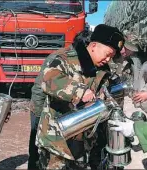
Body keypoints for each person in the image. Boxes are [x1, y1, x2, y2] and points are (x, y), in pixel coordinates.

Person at [32, 24, 125, 170]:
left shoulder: (103, 70)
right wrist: (79, 91)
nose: (108, 59)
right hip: (57, 141)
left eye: (111, 57)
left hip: (83, 143)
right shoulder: (65, 58)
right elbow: (48, 80)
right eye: (107, 54)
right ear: (94, 45)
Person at [27, 29, 92, 170]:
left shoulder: (82, 60)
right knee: (36, 150)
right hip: (42, 109)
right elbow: (41, 88)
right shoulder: (59, 57)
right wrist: (38, 117)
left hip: (63, 116)